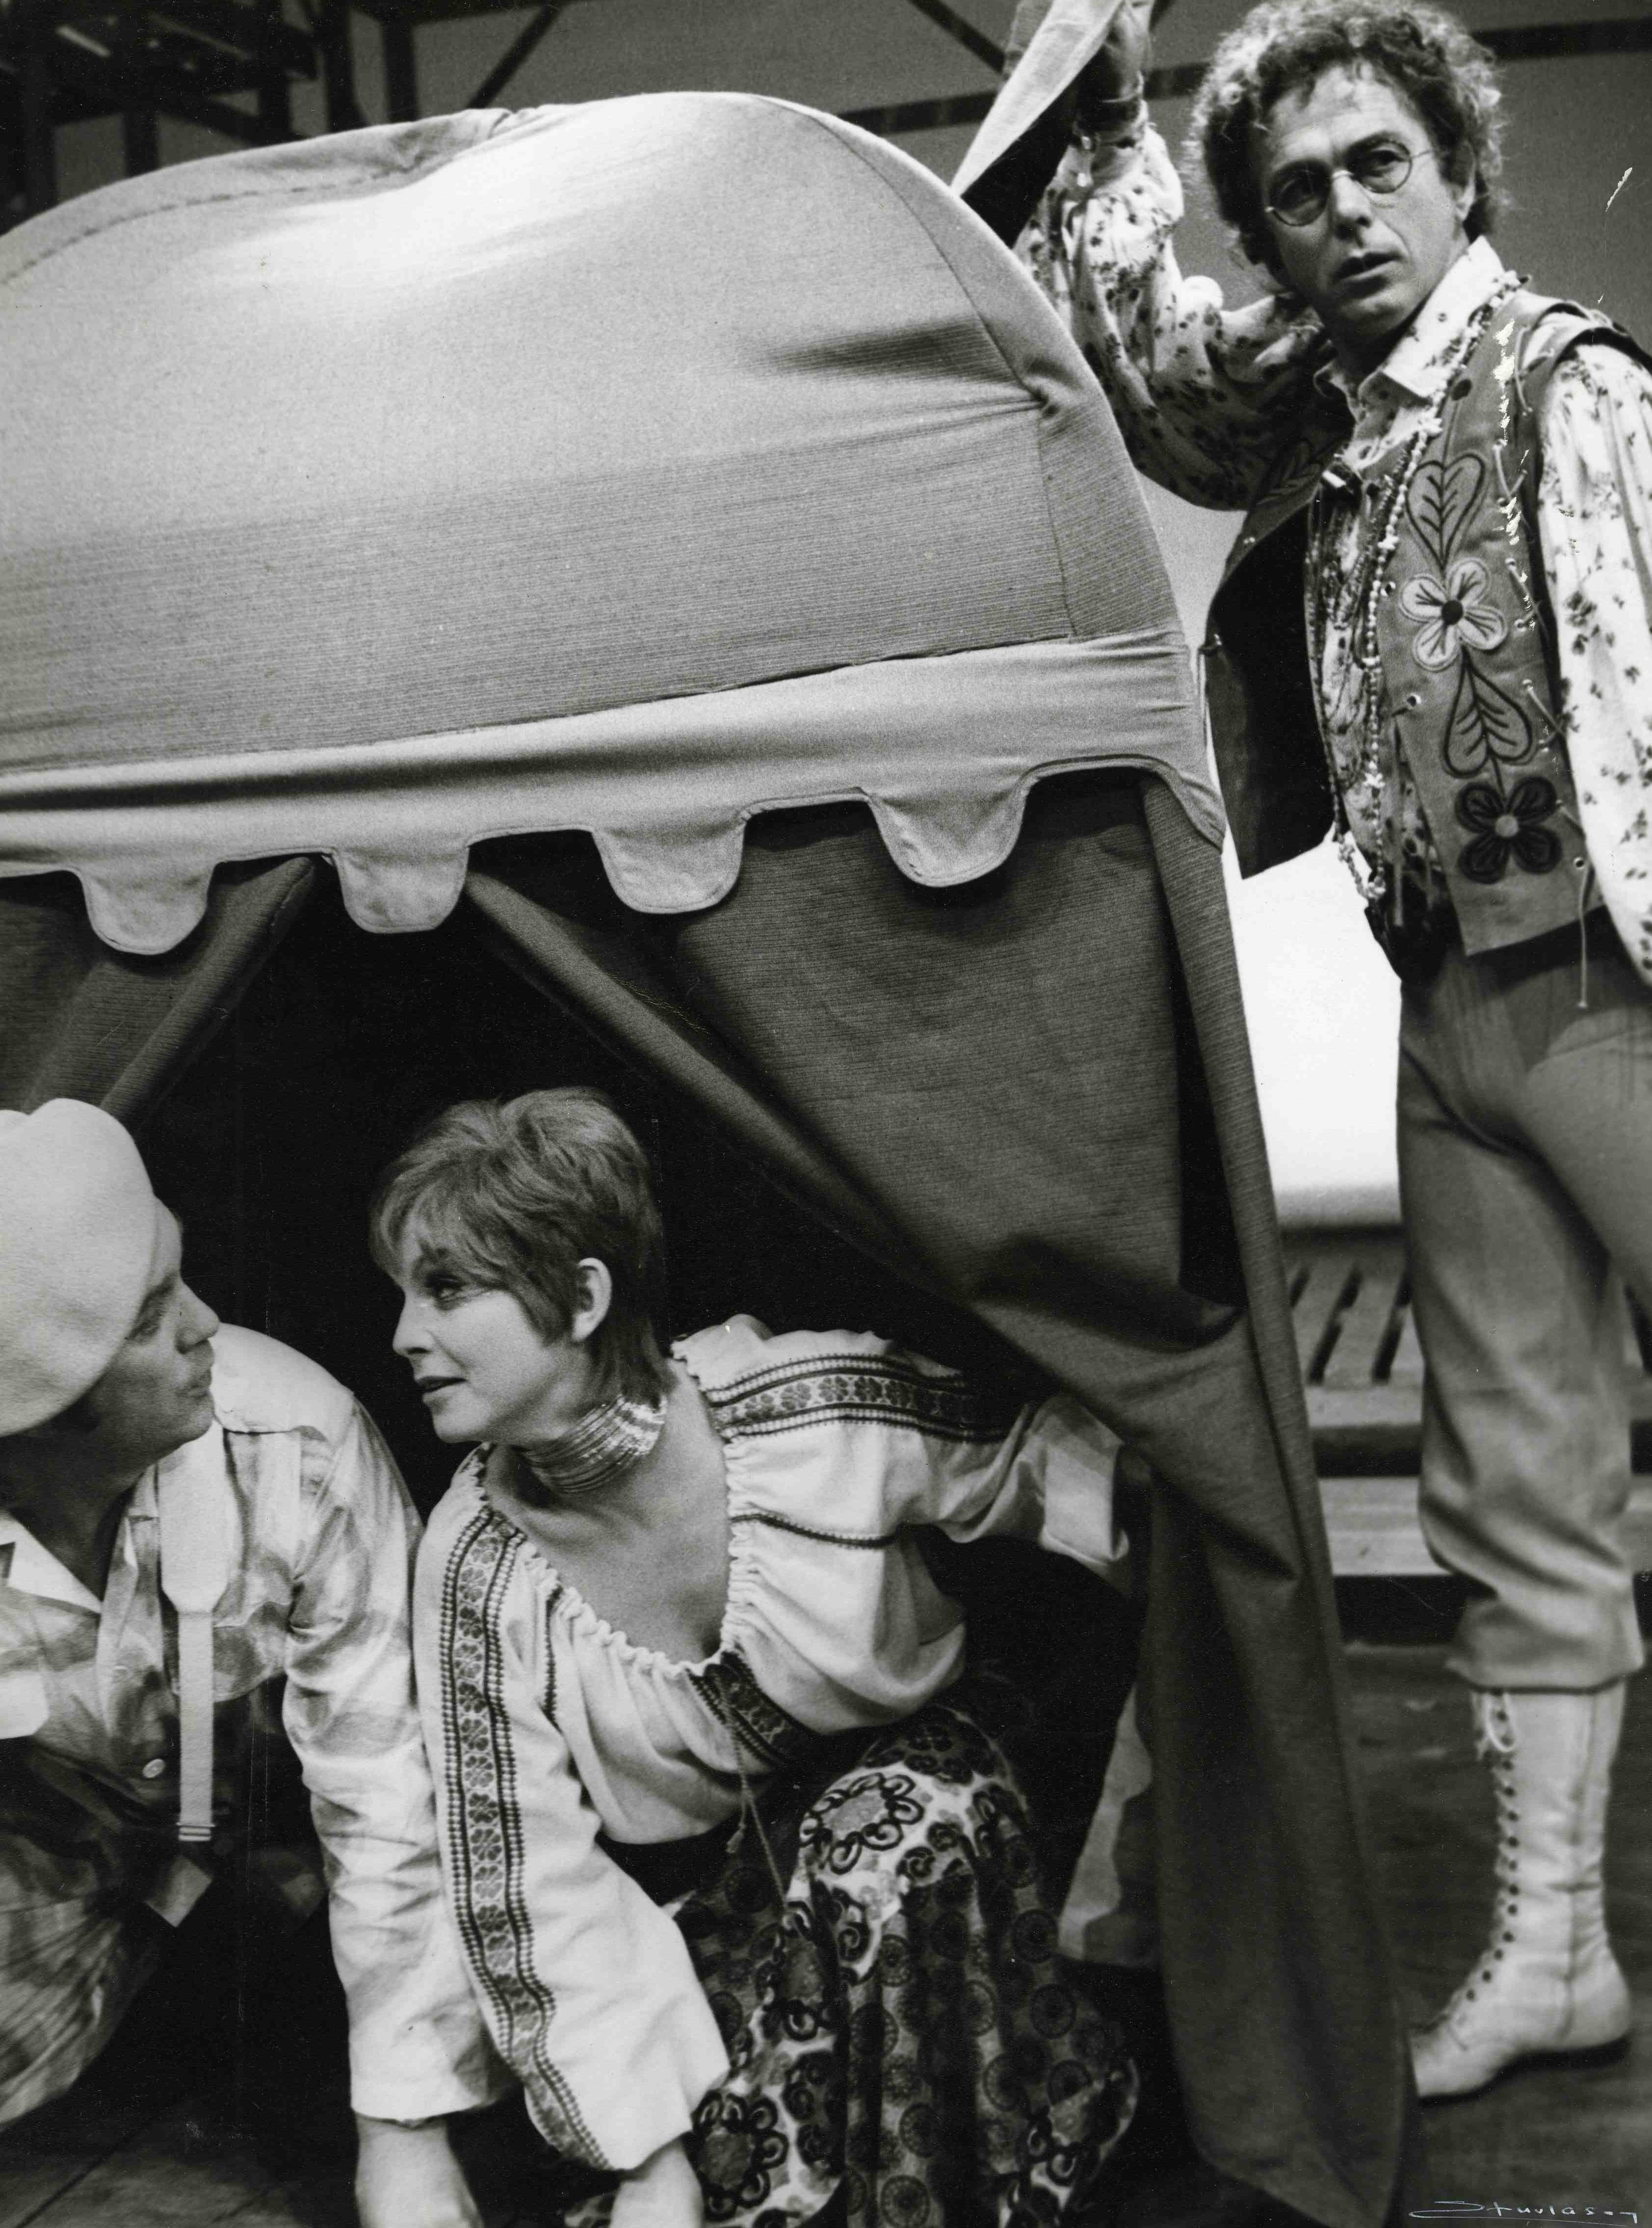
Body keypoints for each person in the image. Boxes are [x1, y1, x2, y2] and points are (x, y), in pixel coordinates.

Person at [963, 0, 1652, 2101]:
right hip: (1454, 1009)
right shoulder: (1323, 409)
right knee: (1512, 1489)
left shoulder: (1572, 387)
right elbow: (1151, 374)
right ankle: (1552, 1952)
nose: (1340, 212)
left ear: (1457, 174)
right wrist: (1104, 109)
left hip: (1619, 994)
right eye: (1292, 193)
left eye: (1374, 165)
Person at [373, 1086, 1141, 2228]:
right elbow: (527, 1882)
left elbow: (1045, 1463)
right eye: (401, 1294)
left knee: (881, 1842)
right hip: (714, 1908)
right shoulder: (472, 1567)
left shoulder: (808, 1409)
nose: (402, 1335)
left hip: (934, 1837)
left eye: (445, 1289)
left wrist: (1198, 1566)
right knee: (721, 2173)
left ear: (581, 1298)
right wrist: (647, 2157)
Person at [0, 1099, 499, 2225]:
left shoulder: (295, 1448)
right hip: (48, 1875)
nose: (208, 1324)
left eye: (180, 1274)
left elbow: (388, 1791)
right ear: (44, 1413)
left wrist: (404, 2137)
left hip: (268, 1839)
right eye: (149, 1320)